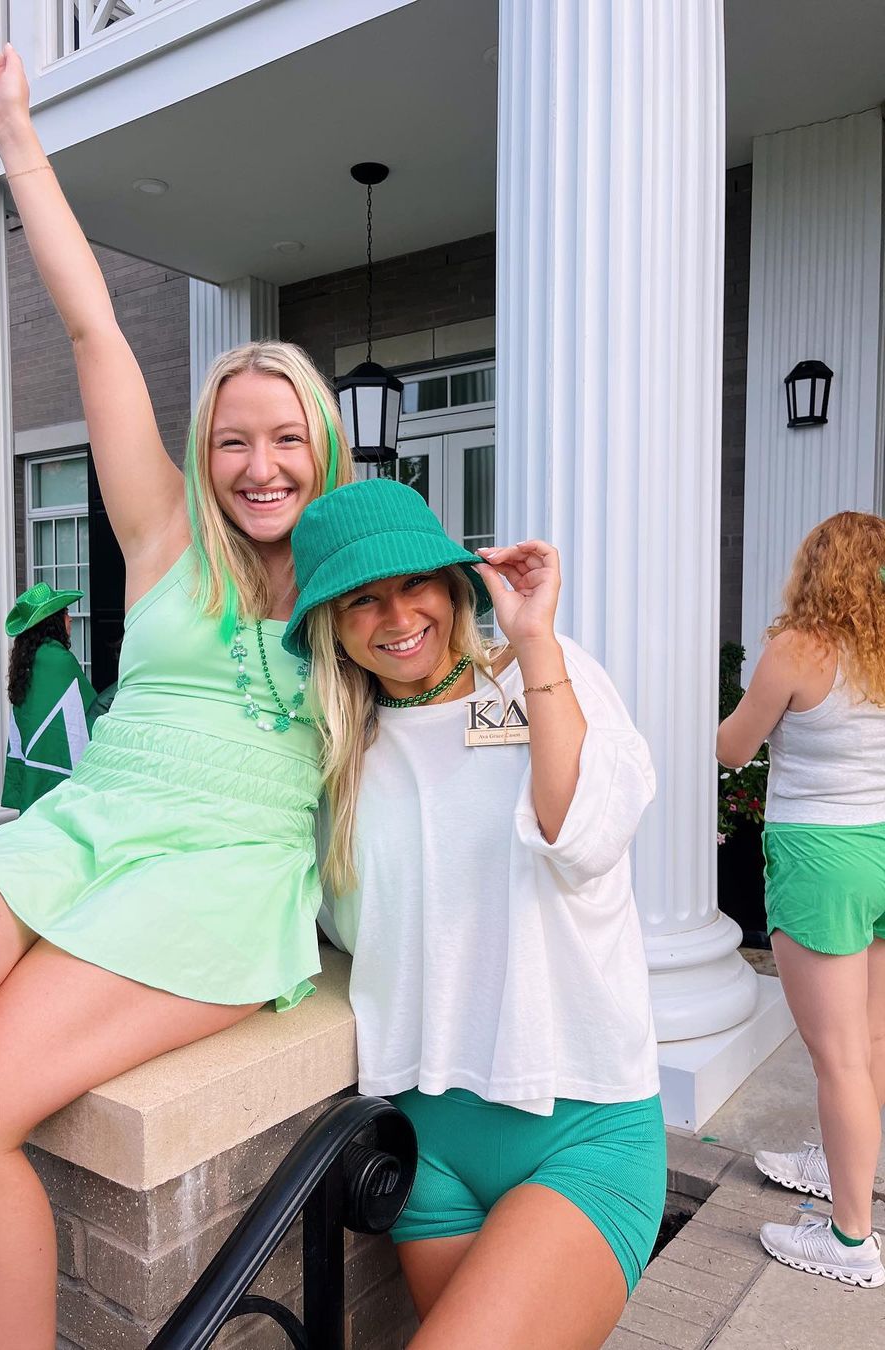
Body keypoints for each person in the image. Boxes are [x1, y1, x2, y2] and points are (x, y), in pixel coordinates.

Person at [0, 41, 351, 1350]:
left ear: (327, 449)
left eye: (287, 437)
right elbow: (94, 331)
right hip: (88, 824)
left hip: (222, 872)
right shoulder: (166, 537)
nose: (260, 463)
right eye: (234, 438)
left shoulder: (362, 597)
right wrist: (16, 135)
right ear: (204, 455)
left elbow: (466, 715)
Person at [284, 479, 665, 1349]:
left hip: (580, 1123)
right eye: (361, 600)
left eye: (415, 582)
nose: (397, 616)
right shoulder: (339, 755)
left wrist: (532, 639)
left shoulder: (546, 673)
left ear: (455, 583)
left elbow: (583, 837)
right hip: (427, 1146)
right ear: (331, 625)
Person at [716, 511, 885, 1289]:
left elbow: (733, 749)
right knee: (869, 1042)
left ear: (816, 569)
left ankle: (851, 1240)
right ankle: (842, 1163)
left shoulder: (798, 649)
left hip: (823, 859)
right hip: (881, 847)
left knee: (838, 1056)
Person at [2, 581, 97, 813]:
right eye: (65, 613)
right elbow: (90, 711)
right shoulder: (59, 660)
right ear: (53, 621)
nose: (70, 619)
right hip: (59, 769)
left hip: (34, 765)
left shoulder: (27, 661)